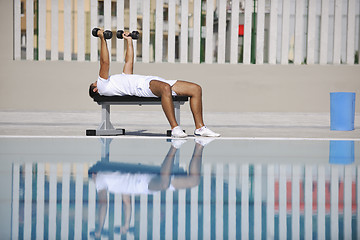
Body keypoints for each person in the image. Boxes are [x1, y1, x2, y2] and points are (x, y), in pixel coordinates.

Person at [89, 29, 220, 138]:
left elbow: (129, 61)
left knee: (195, 89)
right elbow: (105, 63)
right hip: (141, 87)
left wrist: (129, 41)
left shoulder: (120, 79)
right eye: (94, 83)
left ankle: (200, 128)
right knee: (165, 88)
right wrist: (102, 38)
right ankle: (175, 128)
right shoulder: (102, 85)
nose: (97, 80)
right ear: (95, 89)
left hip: (152, 81)